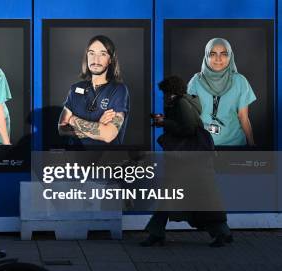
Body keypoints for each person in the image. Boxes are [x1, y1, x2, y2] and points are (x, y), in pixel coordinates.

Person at [143, 76, 232, 248]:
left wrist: (165, 122)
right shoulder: (184, 103)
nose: (164, 96)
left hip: (189, 162)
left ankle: (222, 233)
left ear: (171, 92)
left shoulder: (181, 104)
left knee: (192, 197)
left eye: (165, 92)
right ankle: (156, 233)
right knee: (180, 197)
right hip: (189, 162)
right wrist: (166, 120)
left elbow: (188, 128)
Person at [57, 35, 129, 147]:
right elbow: (62, 129)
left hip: (104, 161)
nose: (96, 60)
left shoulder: (118, 89)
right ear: (87, 56)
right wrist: (98, 126)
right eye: (91, 53)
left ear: (110, 59)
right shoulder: (75, 88)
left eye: (102, 54)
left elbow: (108, 135)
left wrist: (72, 120)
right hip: (76, 159)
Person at [187, 38, 256, 146]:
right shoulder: (196, 81)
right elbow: (190, 117)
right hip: (203, 145)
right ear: (206, 56)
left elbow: (243, 116)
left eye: (224, 54)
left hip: (234, 144)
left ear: (230, 56)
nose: (218, 59)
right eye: (213, 54)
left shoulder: (240, 81)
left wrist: (252, 145)